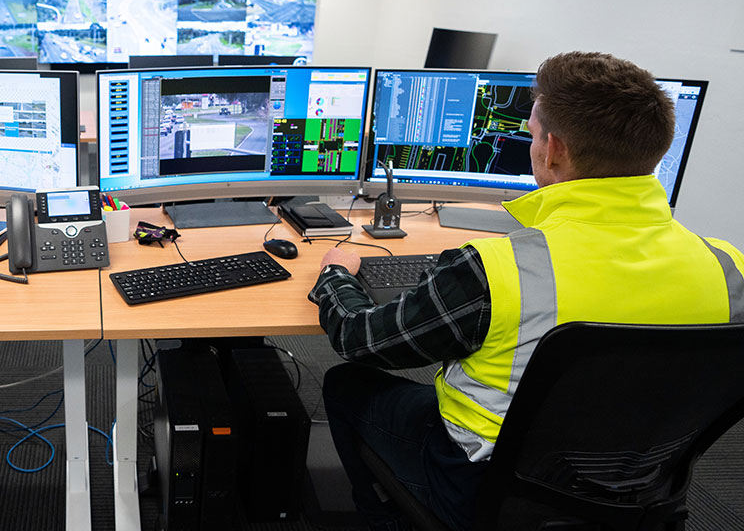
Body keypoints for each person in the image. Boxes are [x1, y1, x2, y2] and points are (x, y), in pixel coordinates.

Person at [308, 52, 744, 531]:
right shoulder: (730, 266)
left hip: (489, 490)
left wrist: (336, 274)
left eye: (531, 133)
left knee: (345, 382)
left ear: (551, 149)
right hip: (643, 489)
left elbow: (362, 341)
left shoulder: (501, 266)